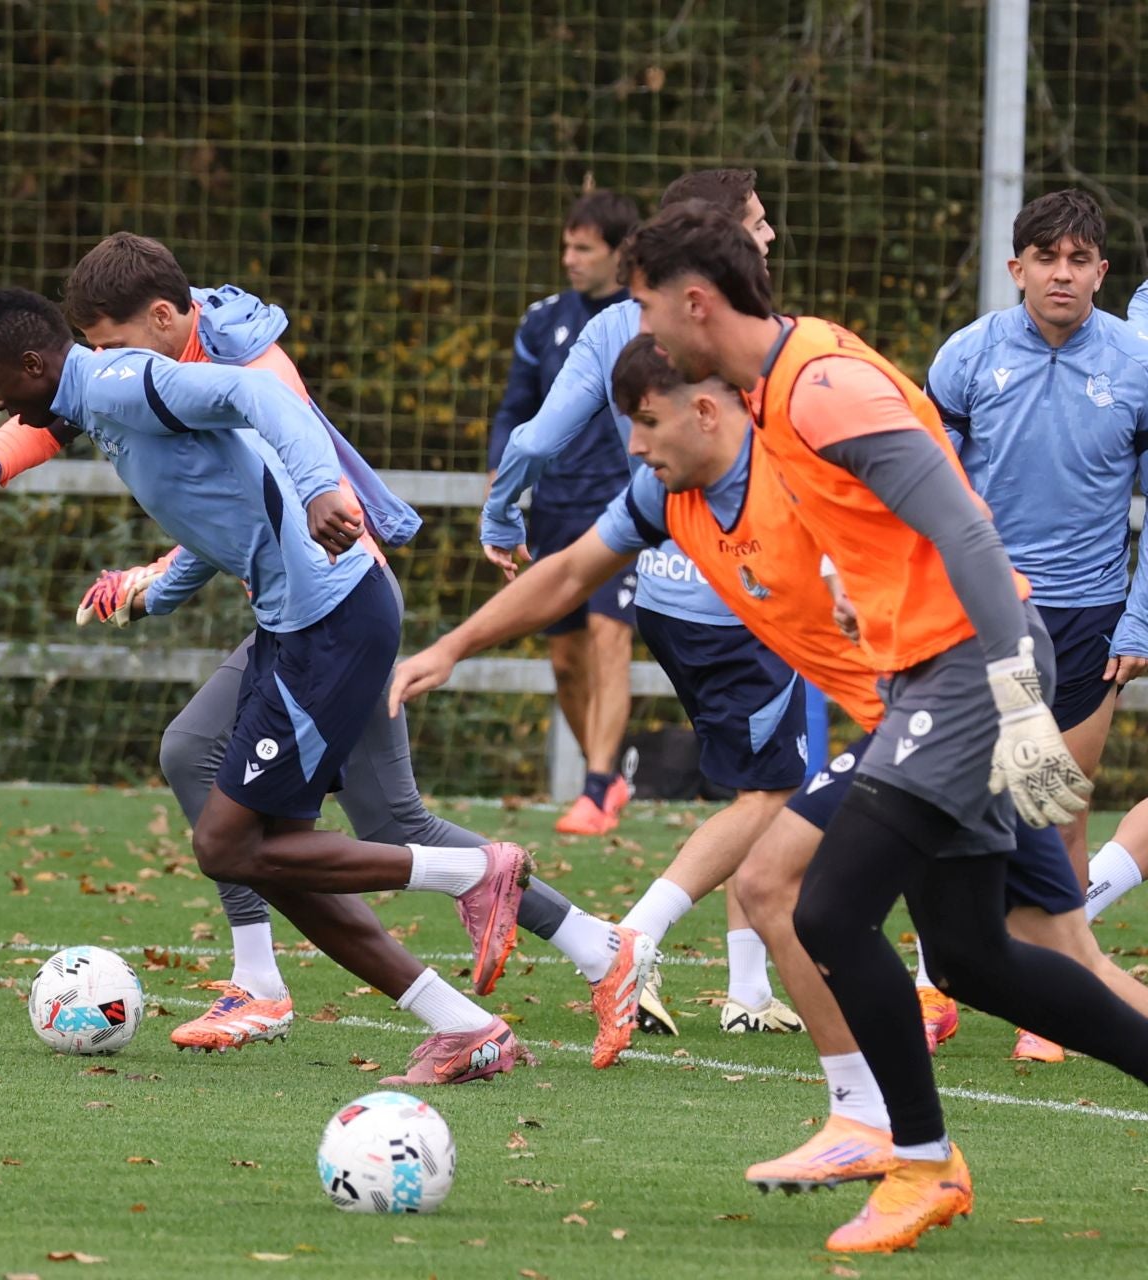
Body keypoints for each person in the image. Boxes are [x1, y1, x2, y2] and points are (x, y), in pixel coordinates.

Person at [0, 234, 654, 1068]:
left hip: (334, 612)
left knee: (243, 839)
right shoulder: (120, 379)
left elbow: (276, 424)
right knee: (281, 815)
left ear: (138, 327)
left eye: (100, 340)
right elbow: (221, 508)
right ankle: (509, 992)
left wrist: (320, 487)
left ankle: (442, 895)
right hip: (300, 619)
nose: (96, 356)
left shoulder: (141, 374)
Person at [622, 200, 1148, 1253]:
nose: (640, 330)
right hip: (928, 675)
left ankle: (919, 1161)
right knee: (970, 957)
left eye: (643, 305)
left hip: (967, 672)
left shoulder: (821, 384)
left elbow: (962, 522)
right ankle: (917, 1155)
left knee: (825, 907)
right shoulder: (775, 392)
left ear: (692, 302)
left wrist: (1012, 695)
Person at [481, 169, 806, 1037]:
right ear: (717, 245)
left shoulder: (607, 330)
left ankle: (747, 990)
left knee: (762, 784)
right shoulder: (749, 340)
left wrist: (497, 511)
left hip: (660, 591)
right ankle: (638, 937)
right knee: (775, 792)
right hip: (742, 594)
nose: (769, 240)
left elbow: (536, 439)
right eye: (757, 225)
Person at [923, 189, 1148, 1060]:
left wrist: (1138, 618)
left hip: (1091, 615)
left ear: (1101, 271)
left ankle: (1044, 1001)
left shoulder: (1134, 362)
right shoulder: (969, 356)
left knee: (1057, 810)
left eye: (1080, 258)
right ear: (1016, 267)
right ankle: (935, 982)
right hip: (984, 611)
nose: (1063, 273)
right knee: (958, 802)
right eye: (1045, 257)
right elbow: (920, 475)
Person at [488, 191, 641, 835]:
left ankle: (598, 784)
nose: (569, 259)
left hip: (621, 507)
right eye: (566, 246)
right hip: (556, 506)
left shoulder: (646, 322)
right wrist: (503, 473)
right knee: (565, 659)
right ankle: (604, 777)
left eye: (584, 248)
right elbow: (514, 409)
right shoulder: (542, 321)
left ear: (619, 253)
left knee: (611, 637)